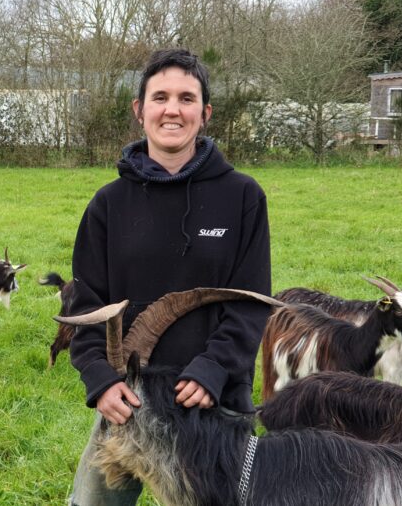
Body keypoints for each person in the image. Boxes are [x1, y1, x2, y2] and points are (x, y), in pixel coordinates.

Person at [67, 48, 271, 505]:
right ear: (140, 111)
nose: (172, 109)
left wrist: (214, 369)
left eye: (186, 98)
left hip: (214, 400)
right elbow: (85, 307)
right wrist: (100, 379)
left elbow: (252, 302)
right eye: (160, 97)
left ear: (205, 112)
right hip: (129, 404)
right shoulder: (108, 205)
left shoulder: (243, 197)